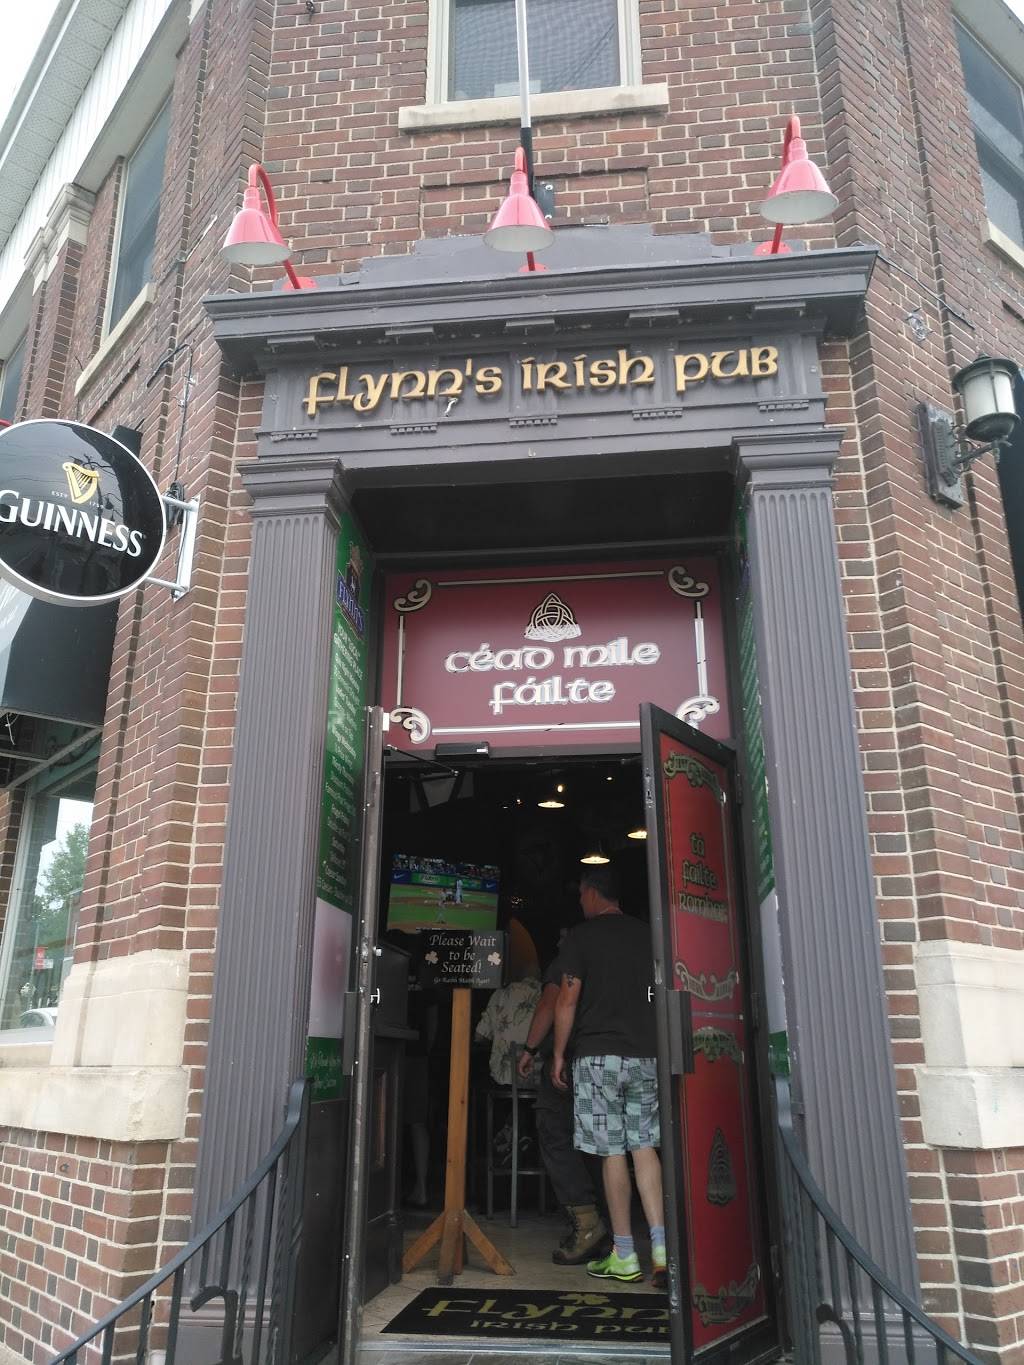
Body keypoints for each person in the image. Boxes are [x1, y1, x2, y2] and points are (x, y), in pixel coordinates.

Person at [552, 866, 666, 1287]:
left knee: (611, 1151)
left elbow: (567, 999)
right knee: (644, 1145)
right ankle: (661, 1247)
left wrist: (558, 1054)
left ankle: (624, 1253)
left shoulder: (582, 937)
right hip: (646, 1055)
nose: (579, 901)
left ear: (593, 893)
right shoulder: (650, 935)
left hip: (599, 1057)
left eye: (581, 894)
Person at [518, 938, 611, 1265]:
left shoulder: (569, 957)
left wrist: (530, 1048)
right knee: (600, 1143)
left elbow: (550, 1004)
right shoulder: (611, 958)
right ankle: (609, 1227)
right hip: (608, 1058)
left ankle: (587, 1224)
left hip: (570, 1059)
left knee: (556, 1133)